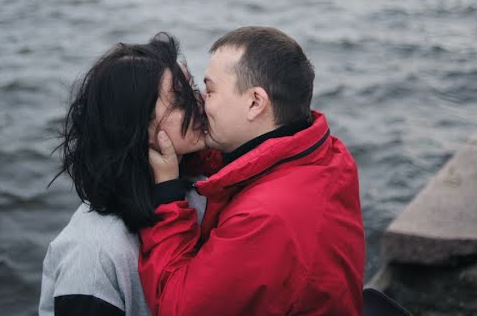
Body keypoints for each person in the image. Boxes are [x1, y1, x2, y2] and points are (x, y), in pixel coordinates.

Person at [140, 26, 365, 315]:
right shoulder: (327, 156)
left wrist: (168, 194)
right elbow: (251, 161)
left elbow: (178, 307)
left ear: (255, 103)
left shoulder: (263, 218)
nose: (199, 101)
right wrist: (192, 152)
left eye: (209, 90)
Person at [39, 33, 215, 316]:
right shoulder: (94, 254)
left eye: (194, 87)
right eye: (181, 99)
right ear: (135, 124)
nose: (201, 103)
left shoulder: (199, 187)